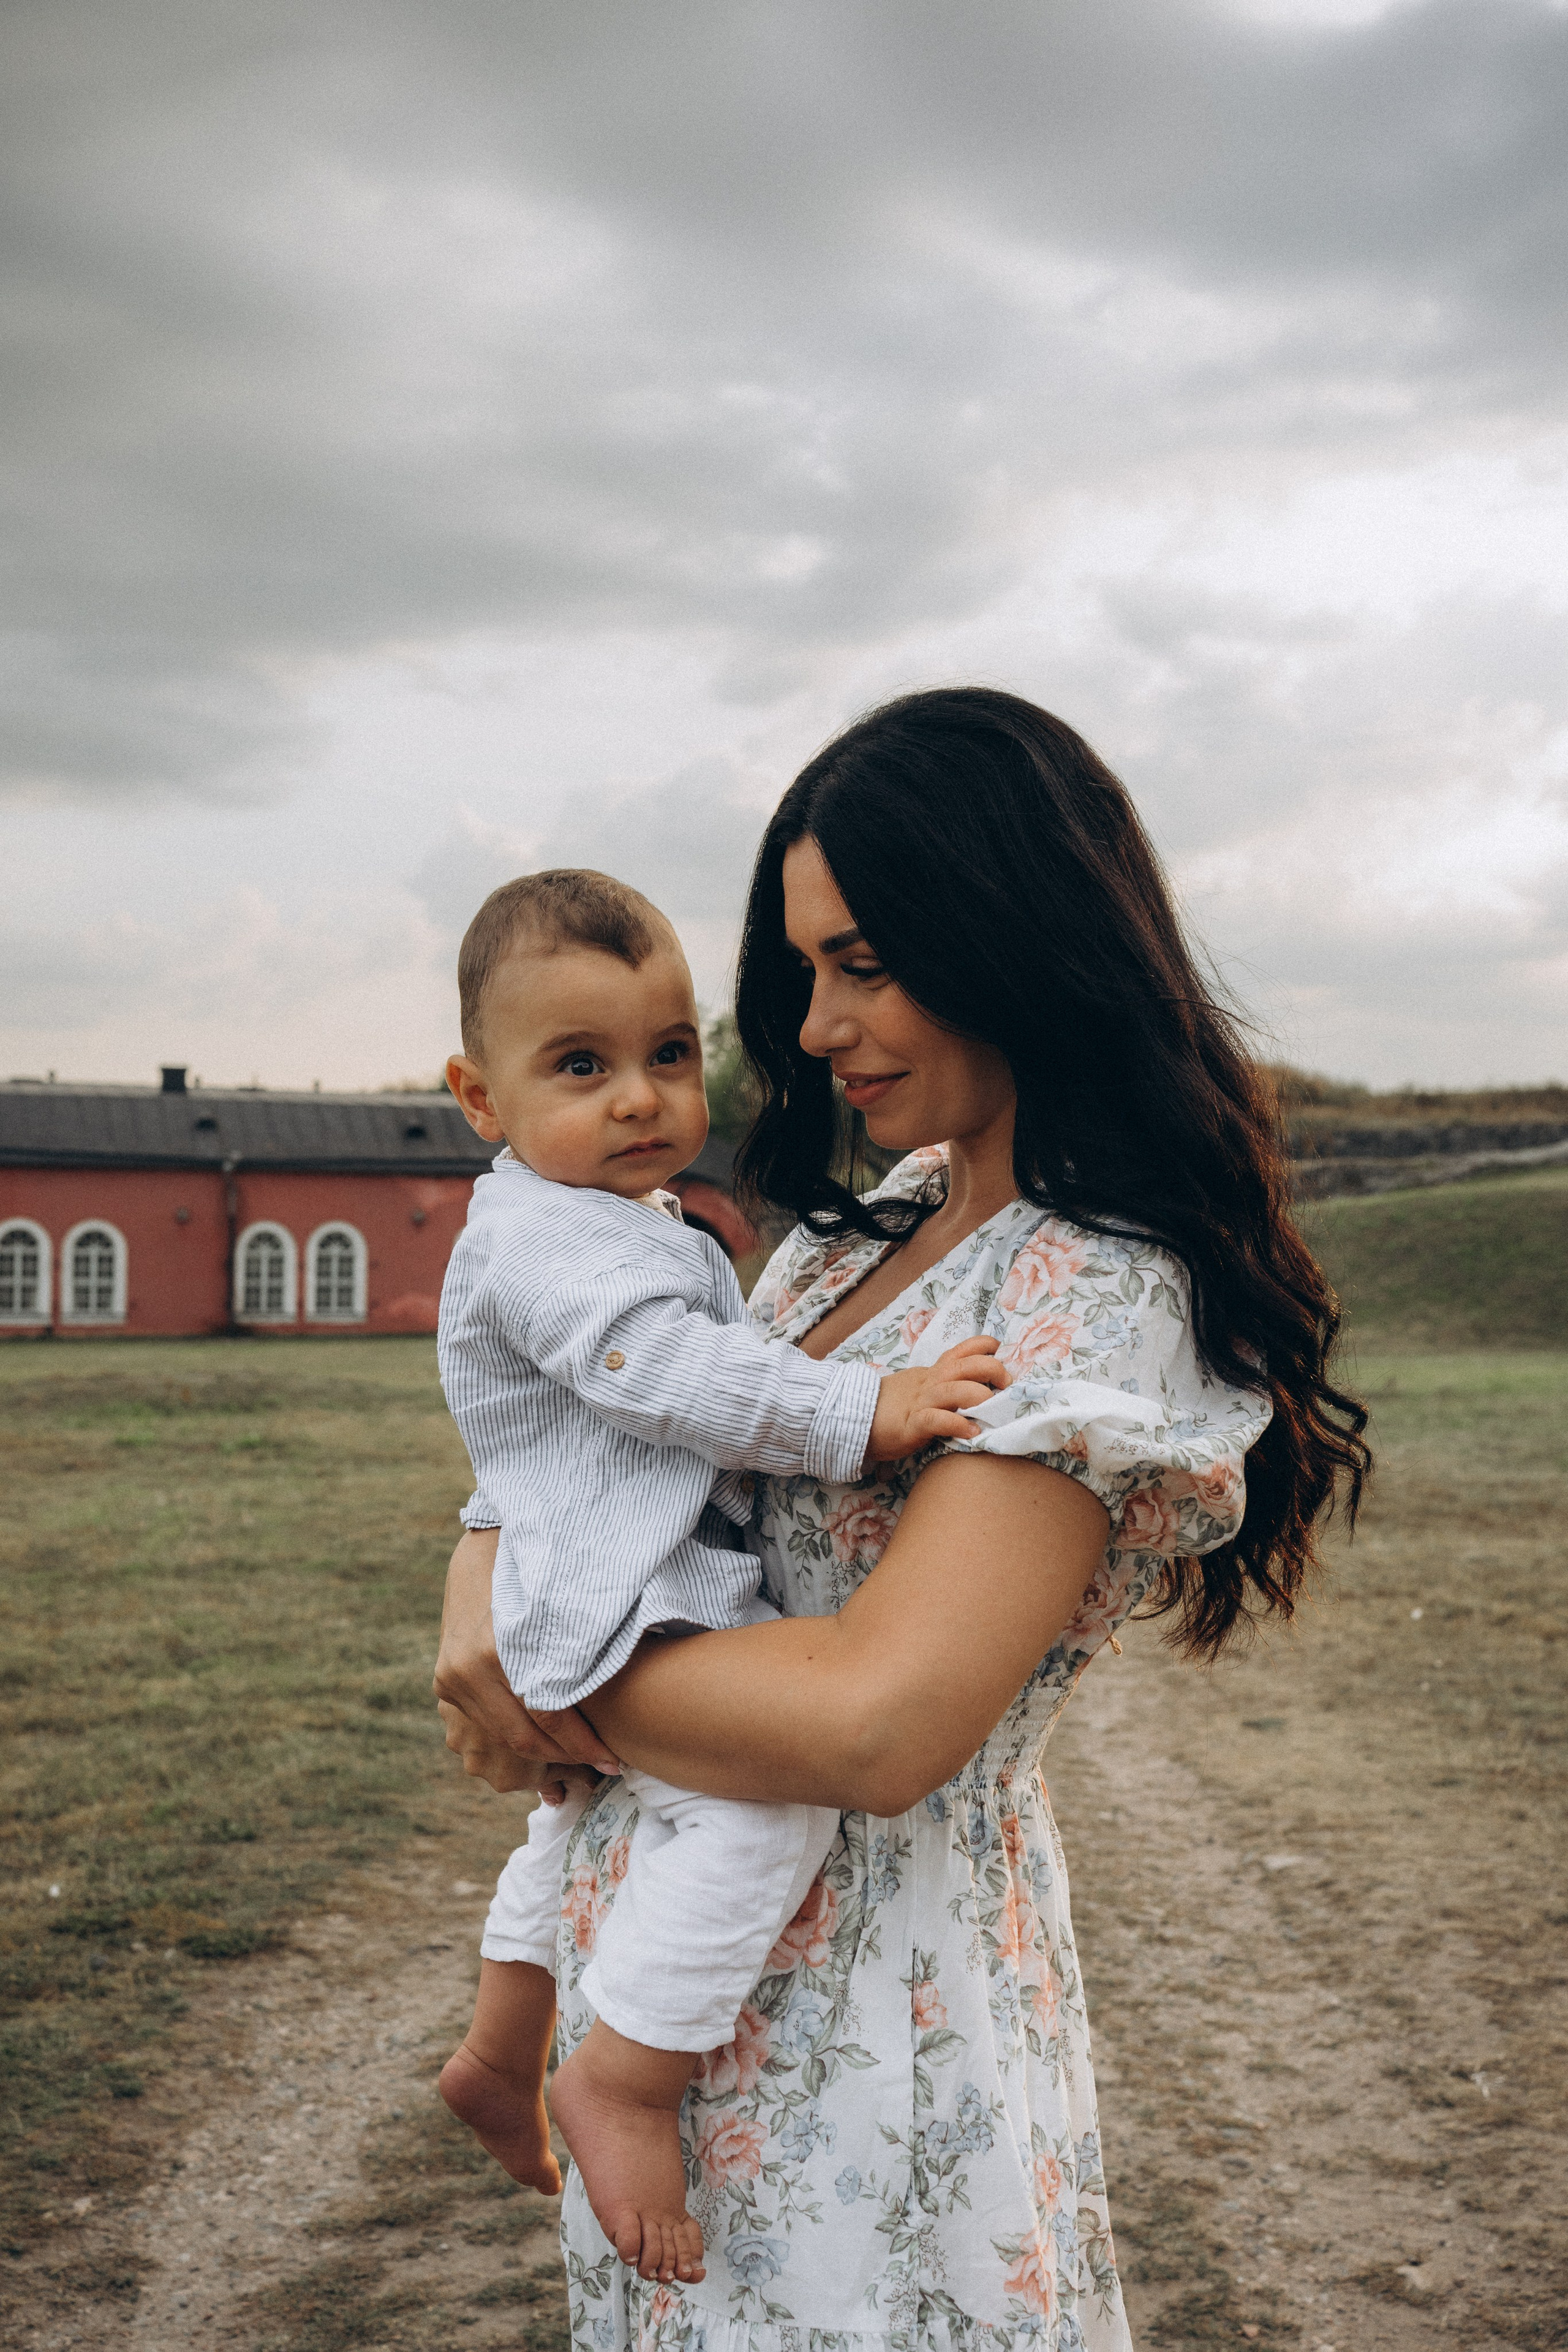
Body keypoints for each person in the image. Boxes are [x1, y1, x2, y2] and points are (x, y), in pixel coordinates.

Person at [434, 689, 1370, 2352]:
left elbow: (879, 1727)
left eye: (862, 963)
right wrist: (480, 1577)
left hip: (882, 2017)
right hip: (676, 1994)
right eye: (805, 970)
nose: (810, 1025)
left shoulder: (1093, 1290)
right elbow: (615, 1441)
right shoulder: (851, 1245)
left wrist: (548, 1675)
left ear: (1012, 937)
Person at [434, 867, 1011, 2287]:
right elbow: (660, 1374)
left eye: (667, 1056)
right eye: (581, 1067)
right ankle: (621, 2077)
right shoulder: (554, 1235)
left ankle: (502, 2046)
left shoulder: (605, 1215)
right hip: (630, 1599)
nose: (638, 1098)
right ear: (477, 1097)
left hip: (599, 1584)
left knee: (575, 1824)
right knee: (762, 1821)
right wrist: (862, 1412)